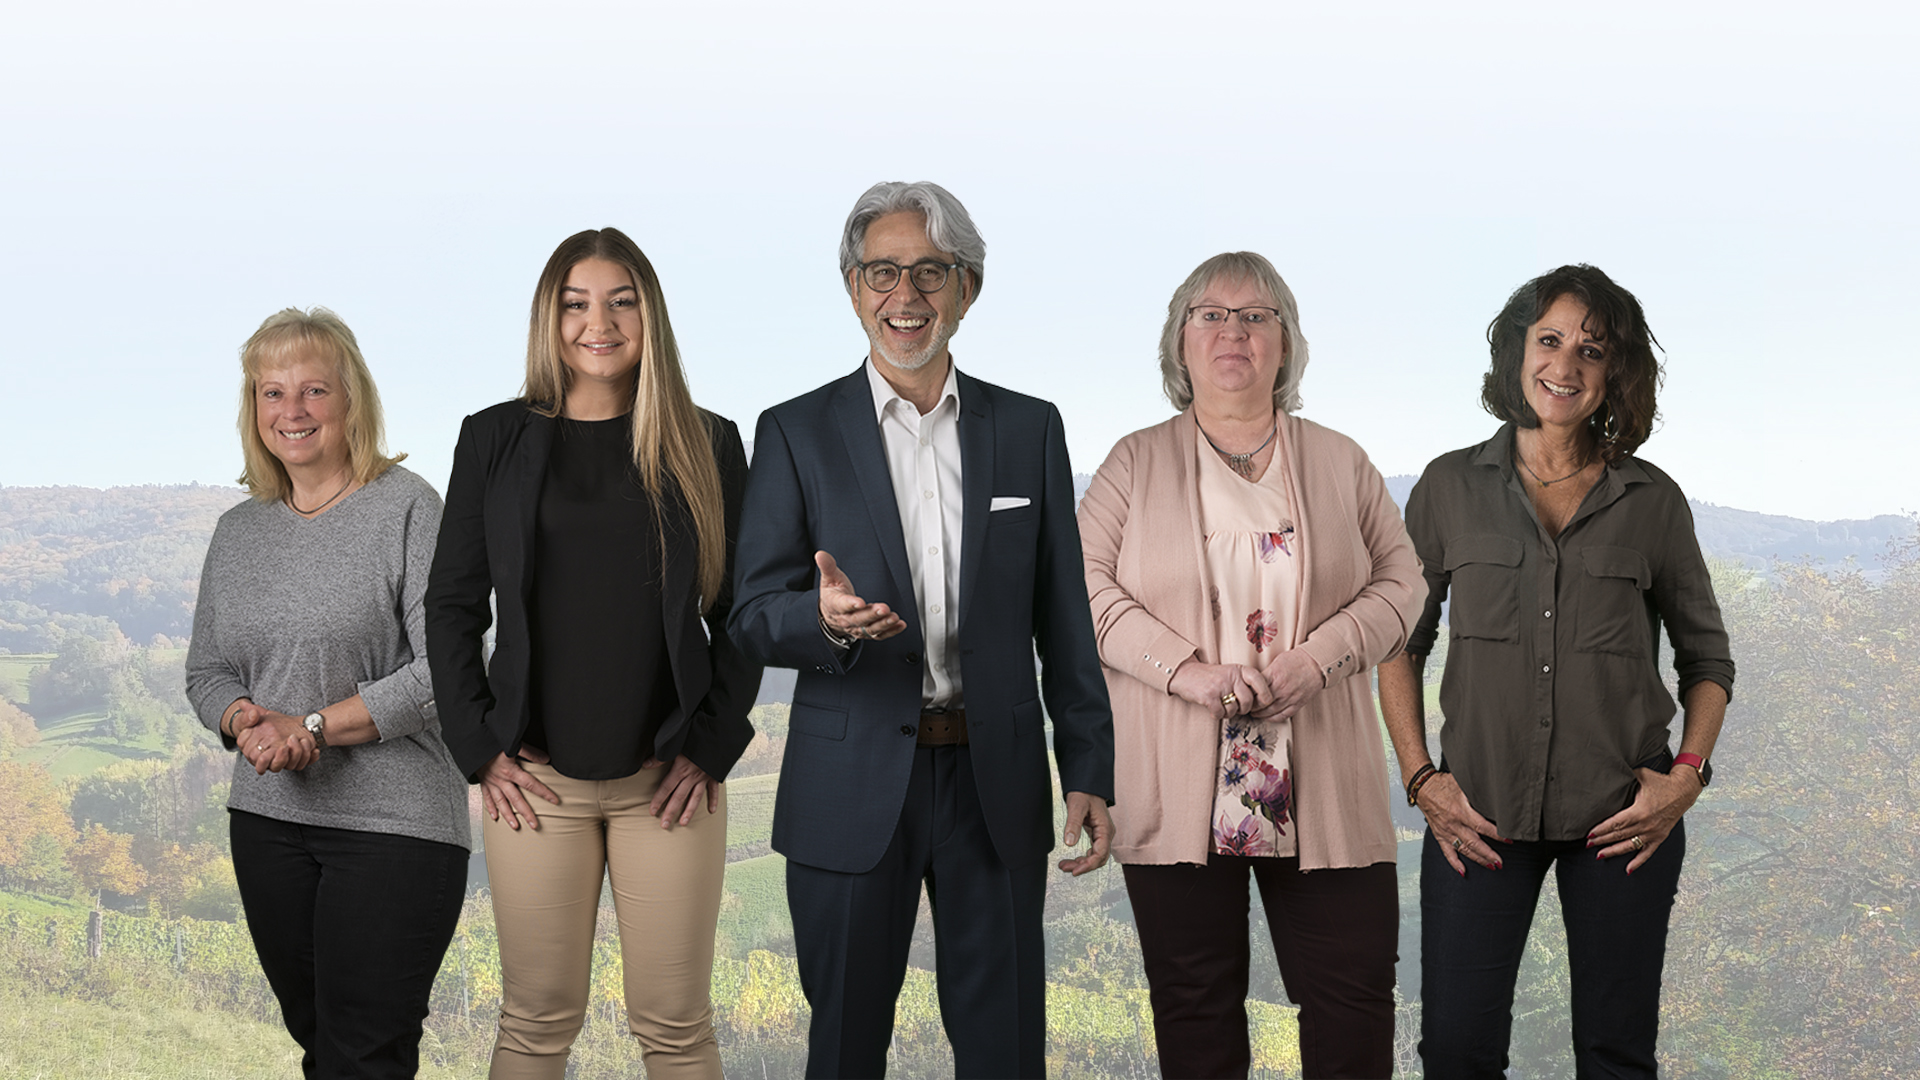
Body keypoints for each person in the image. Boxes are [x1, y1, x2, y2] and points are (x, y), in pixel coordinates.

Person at [728, 181, 1114, 1080]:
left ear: (967, 288)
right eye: (882, 272)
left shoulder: (1029, 428)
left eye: (930, 273)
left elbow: (1065, 615)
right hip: (850, 784)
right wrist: (823, 621)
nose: (906, 296)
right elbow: (751, 615)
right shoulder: (794, 432)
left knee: (1006, 1047)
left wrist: (1088, 765)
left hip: (997, 782)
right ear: (853, 287)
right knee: (846, 1047)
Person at [1379, 264, 1734, 1078]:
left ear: (1616, 375)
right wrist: (1421, 778)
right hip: (1477, 818)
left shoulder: (1653, 501)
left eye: (1592, 349)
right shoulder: (1447, 487)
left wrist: (1685, 778)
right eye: (1549, 340)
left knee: (1614, 1053)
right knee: (1459, 1052)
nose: (1565, 366)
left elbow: (1707, 658)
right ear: (1517, 353)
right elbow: (1399, 641)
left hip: (1623, 824)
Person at [1077, 251, 1425, 1079]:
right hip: (1173, 775)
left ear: (1285, 343)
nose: (1233, 330)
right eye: (1211, 314)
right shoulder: (1132, 462)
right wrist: (1187, 671)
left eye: (1256, 315)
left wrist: (1319, 660)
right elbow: (1080, 594)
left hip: (1325, 778)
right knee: (1194, 1008)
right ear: (1181, 342)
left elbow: (1403, 586)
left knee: (1352, 1004)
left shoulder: (1341, 460)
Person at [423, 227, 760, 1080]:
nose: (596, 322)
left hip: (670, 786)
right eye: (575, 303)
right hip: (536, 785)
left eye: (621, 301)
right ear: (550, 317)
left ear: (651, 315)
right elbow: (453, 606)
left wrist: (711, 747)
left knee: (676, 1026)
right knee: (535, 1022)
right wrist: (480, 748)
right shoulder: (493, 439)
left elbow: (743, 616)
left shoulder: (708, 443)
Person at [184, 307, 467, 1079]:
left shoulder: (408, 507)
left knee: (364, 1054)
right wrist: (248, 722)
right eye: (271, 393)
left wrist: (313, 725)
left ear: (351, 402)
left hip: (395, 825)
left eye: (313, 390)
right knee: (321, 1044)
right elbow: (207, 672)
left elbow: (447, 668)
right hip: (269, 819)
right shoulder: (238, 532)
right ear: (254, 410)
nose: (292, 411)